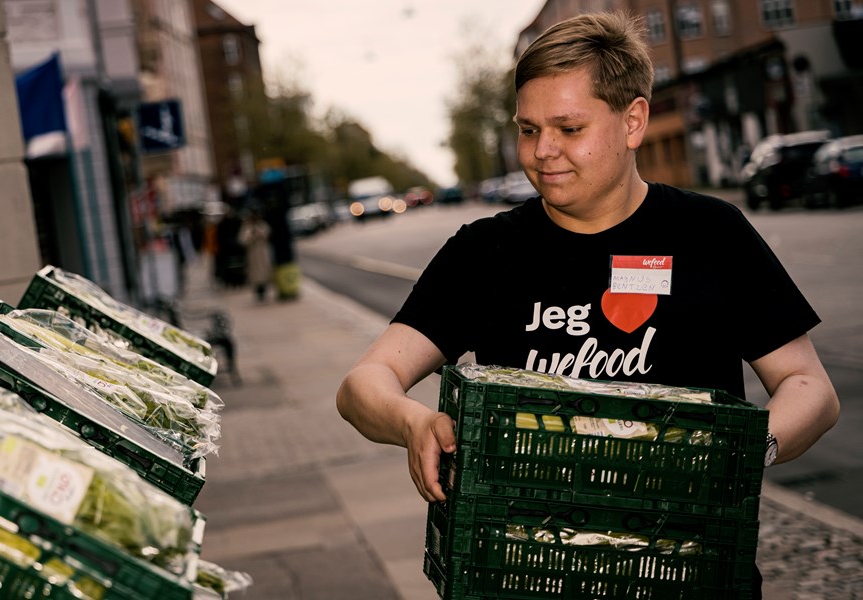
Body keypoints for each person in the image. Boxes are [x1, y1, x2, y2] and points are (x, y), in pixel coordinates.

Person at [336, 11, 839, 595]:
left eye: (569, 129)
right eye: (528, 130)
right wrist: (412, 421)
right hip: (524, 575)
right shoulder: (485, 251)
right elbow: (363, 383)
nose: (542, 152)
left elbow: (810, 387)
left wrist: (739, 458)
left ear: (633, 121)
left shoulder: (712, 234)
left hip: (688, 573)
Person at [238, 209, 273, 302]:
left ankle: (264, 289)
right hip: (252, 253)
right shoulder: (247, 227)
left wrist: (260, 234)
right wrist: (251, 235)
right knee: (255, 273)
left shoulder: (262, 224)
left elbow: (267, 233)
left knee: (265, 271)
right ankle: (258, 291)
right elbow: (243, 240)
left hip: (262, 251)